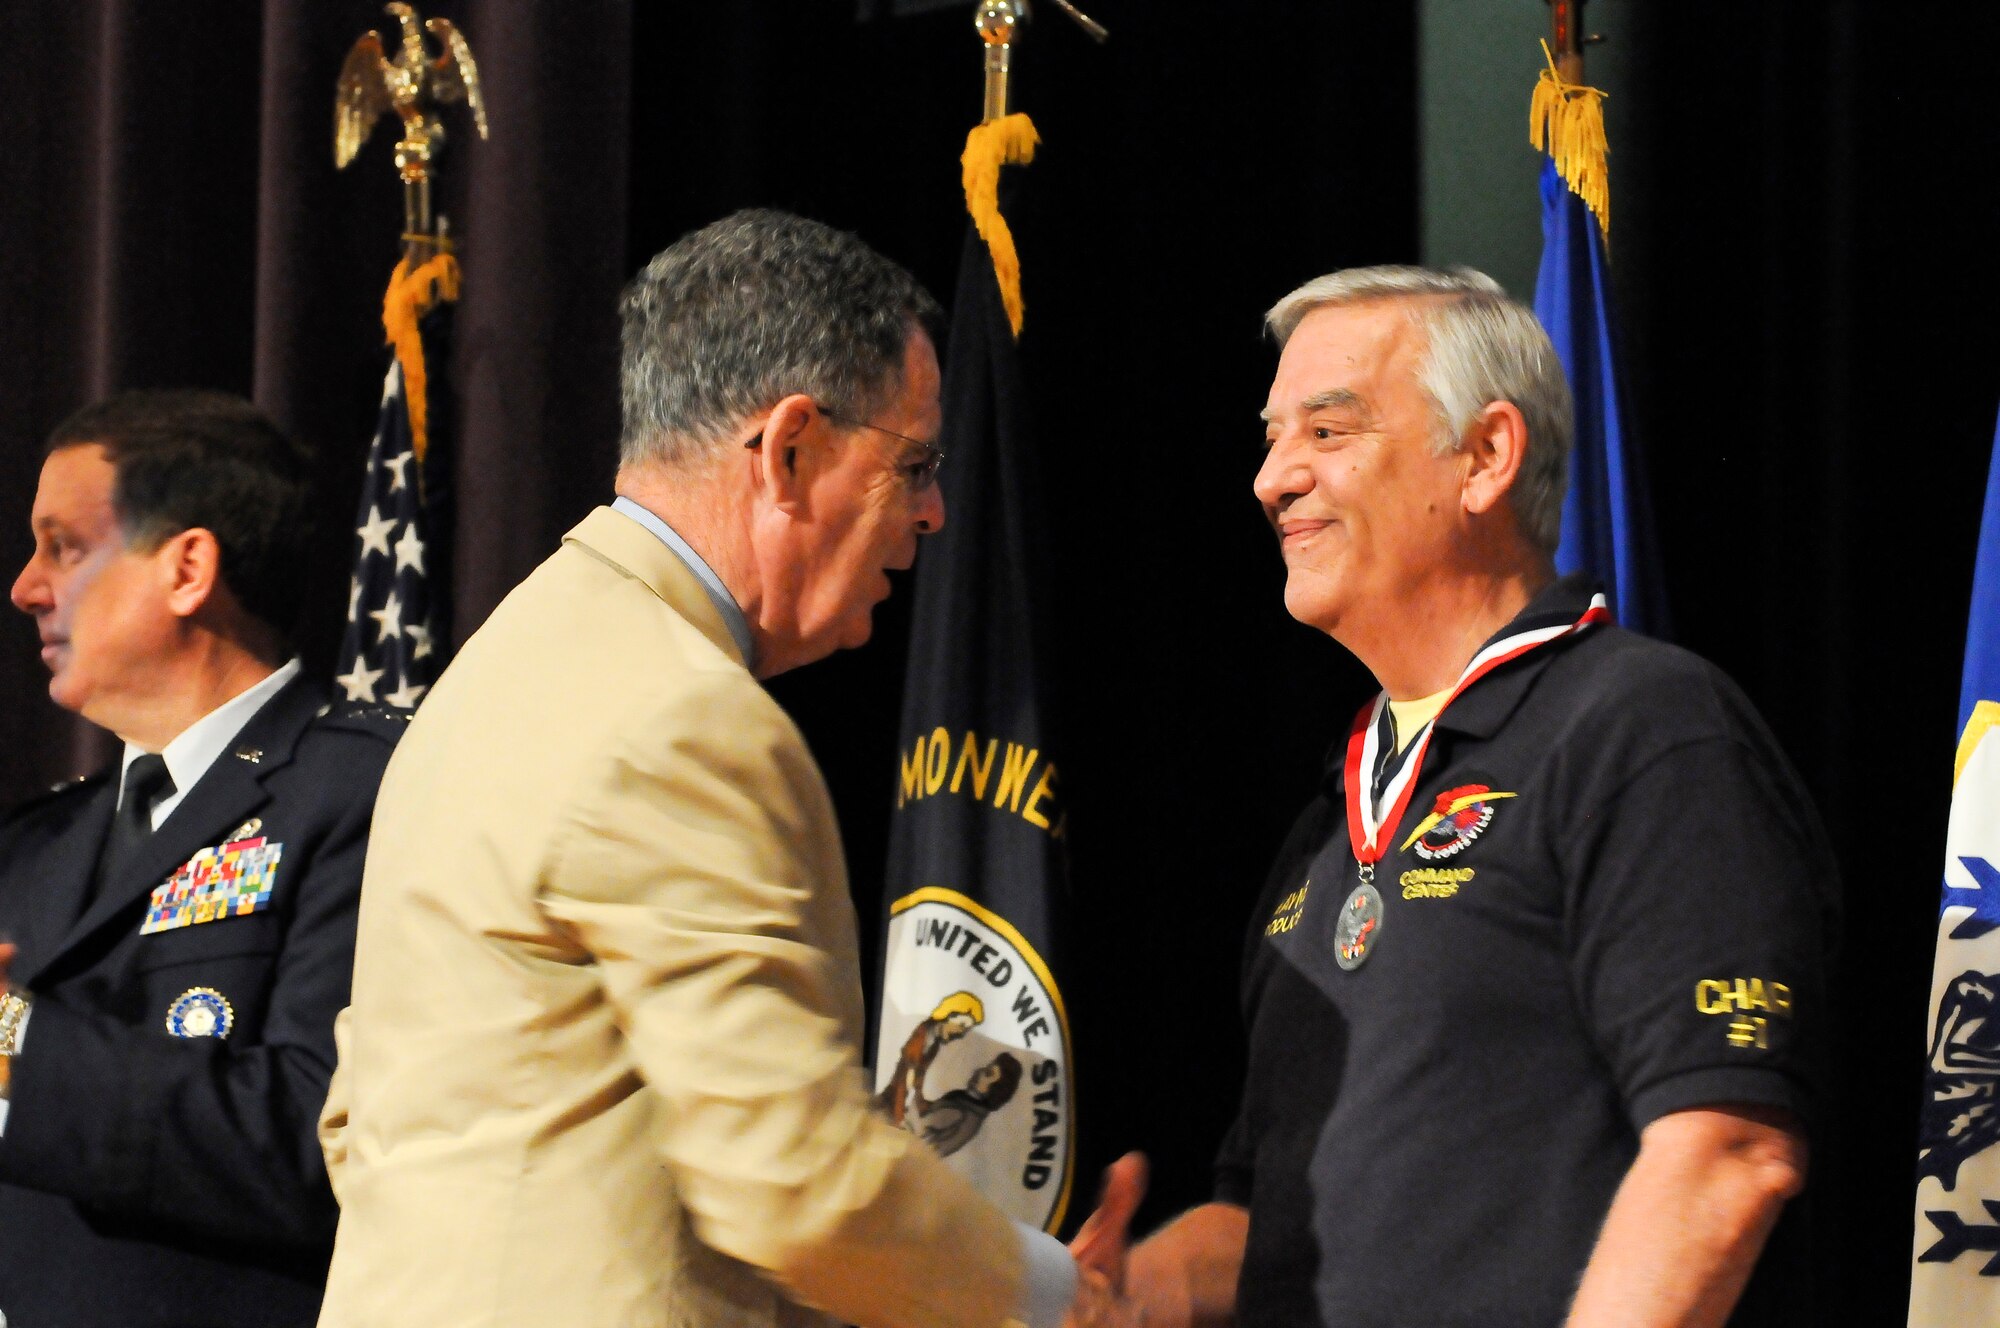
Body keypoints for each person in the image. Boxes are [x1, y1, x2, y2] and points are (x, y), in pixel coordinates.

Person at [317, 210, 1092, 1328]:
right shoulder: (679, 715)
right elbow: (796, 1181)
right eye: (914, 464)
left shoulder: (500, 666)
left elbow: (363, 1116)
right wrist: (1056, 1292)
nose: (932, 513)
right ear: (787, 452)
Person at [1072, 267, 1837, 1328]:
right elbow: (1268, 1224)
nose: (1269, 477)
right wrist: (1107, 1294)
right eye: (1270, 435)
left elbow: (1724, 1150)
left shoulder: (1642, 728)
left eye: (1326, 431)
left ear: (1485, 457)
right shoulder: (1321, 833)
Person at [0, 391, 405, 1327]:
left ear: (187, 568)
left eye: (63, 546)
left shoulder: (368, 792)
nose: (26, 586)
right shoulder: (34, 846)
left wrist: (15, 1055)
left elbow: (326, 1141)